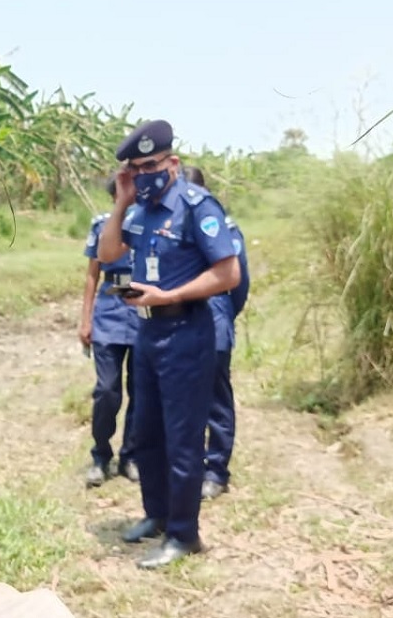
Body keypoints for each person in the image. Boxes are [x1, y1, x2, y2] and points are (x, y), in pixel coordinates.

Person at [96, 120, 240, 568]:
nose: (144, 174)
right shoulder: (139, 210)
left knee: (181, 437)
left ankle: (184, 534)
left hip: (186, 331)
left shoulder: (197, 206)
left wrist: (171, 295)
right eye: (135, 168)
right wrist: (120, 204)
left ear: (172, 162)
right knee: (147, 432)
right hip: (148, 331)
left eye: (151, 165)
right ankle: (155, 514)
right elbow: (107, 255)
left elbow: (228, 273)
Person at [182, 166, 251, 501]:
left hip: (213, 320)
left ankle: (217, 470)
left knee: (215, 401)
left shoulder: (222, 227)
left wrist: (224, 313)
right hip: (177, 324)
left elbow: (238, 282)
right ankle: (190, 465)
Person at [79, 179, 140, 488]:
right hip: (110, 311)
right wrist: (85, 319)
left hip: (144, 309)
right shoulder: (102, 224)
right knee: (107, 389)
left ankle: (131, 456)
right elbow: (92, 275)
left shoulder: (150, 221)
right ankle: (100, 454)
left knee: (140, 389)